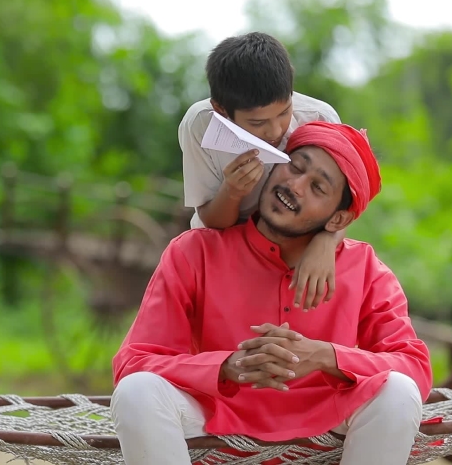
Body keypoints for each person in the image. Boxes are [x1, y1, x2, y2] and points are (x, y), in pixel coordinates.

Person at [112, 121, 433, 465]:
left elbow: (414, 366)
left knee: (398, 392)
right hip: (218, 412)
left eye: (317, 187)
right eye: (295, 166)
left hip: (327, 414)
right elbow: (134, 361)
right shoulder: (195, 252)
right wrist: (224, 367)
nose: (294, 185)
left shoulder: (365, 268)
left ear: (337, 220)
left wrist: (326, 356)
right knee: (137, 391)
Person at [179, 31, 343, 311]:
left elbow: (344, 199)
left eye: (284, 112)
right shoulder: (201, 125)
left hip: (293, 254)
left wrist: (326, 241)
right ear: (221, 109)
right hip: (224, 252)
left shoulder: (319, 119)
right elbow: (210, 220)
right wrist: (232, 191)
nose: (275, 130)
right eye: (257, 123)